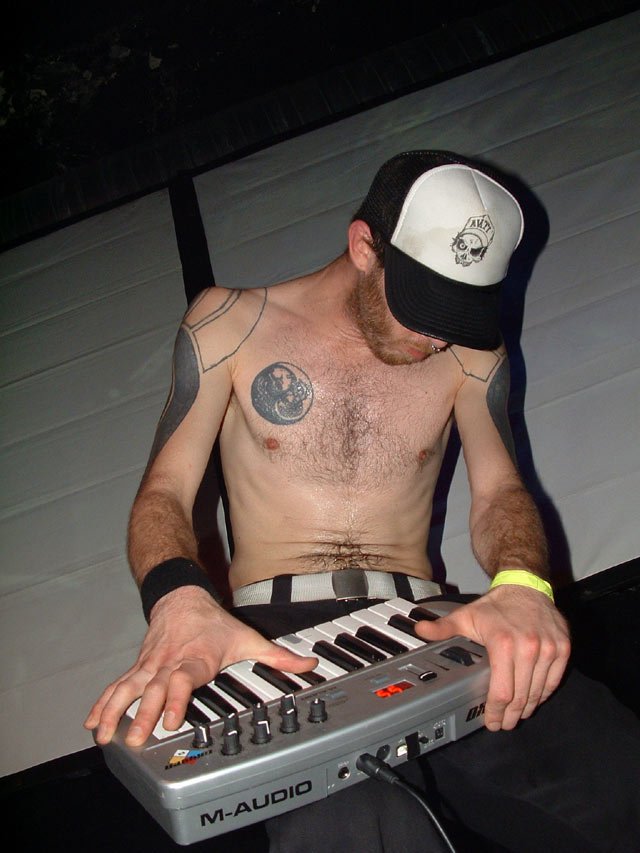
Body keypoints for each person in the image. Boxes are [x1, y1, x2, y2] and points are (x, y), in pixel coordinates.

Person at [85, 150, 639, 852]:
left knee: (613, 770)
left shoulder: (472, 355)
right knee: (348, 823)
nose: (438, 336)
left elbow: (501, 492)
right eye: (424, 309)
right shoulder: (229, 323)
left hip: (427, 619)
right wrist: (178, 599)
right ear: (364, 247)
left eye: (458, 315)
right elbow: (163, 492)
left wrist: (525, 586)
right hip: (276, 636)